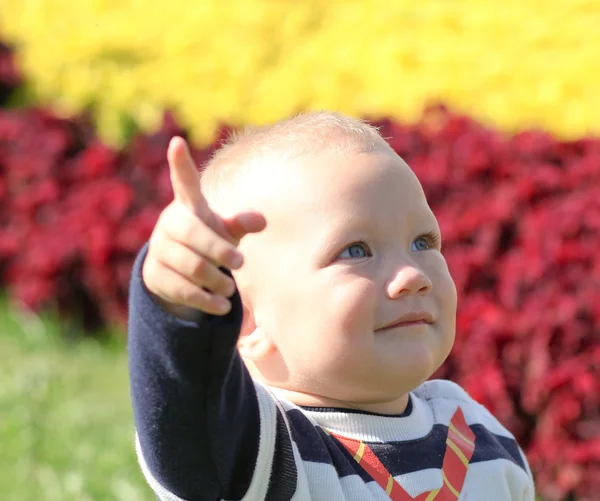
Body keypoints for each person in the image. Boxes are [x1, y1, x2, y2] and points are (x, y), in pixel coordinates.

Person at [128, 111, 535, 501]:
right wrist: (180, 306)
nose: (412, 275)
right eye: (355, 250)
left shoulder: (482, 440)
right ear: (247, 321)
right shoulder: (266, 455)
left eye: (423, 242)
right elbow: (188, 415)